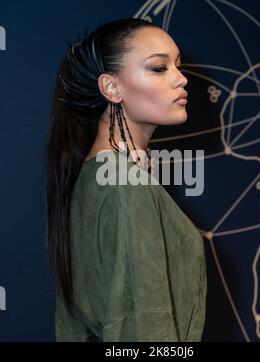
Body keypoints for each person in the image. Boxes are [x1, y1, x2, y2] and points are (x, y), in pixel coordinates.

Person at [44, 17, 206, 342]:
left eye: (178, 65)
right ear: (111, 87)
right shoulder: (125, 186)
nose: (181, 79)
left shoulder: (93, 177)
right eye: (159, 68)